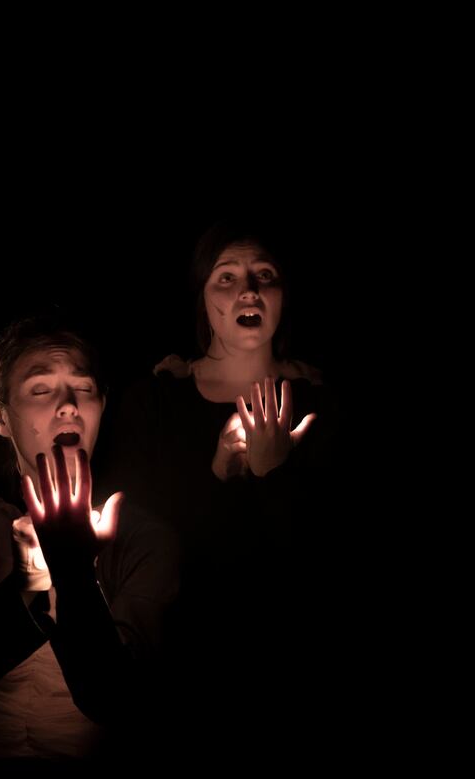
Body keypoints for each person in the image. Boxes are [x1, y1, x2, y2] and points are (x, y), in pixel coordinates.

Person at [103, 221, 337, 662]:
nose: (248, 290)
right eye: (226, 277)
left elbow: (317, 561)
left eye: (264, 275)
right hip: (179, 657)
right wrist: (213, 474)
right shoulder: (153, 403)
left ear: (283, 295)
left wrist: (273, 473)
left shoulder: (320, 403)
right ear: (202, 299)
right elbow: (140, 551)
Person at [0, 317, 180, 760]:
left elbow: (116, 698)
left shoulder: (143, 537)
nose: (68, 406)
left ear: (103, 403)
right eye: (42, 390)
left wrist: (71, 570)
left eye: (83, 389)